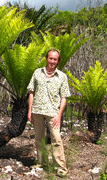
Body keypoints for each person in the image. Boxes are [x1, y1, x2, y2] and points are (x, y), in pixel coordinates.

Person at [27, 48, 70, 176]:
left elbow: (64, 98)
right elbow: (31, 92)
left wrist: (59, 115)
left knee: (56, 139)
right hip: (37, 111)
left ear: (58, 61)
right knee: (39, 138)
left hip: (53, 113)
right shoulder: (37, 73)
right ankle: (42, 162)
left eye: (55, 59)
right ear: (46, 58)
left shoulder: (62, 76)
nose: (52, 61)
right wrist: (30, 111)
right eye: (50, 58)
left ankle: (61, 168)